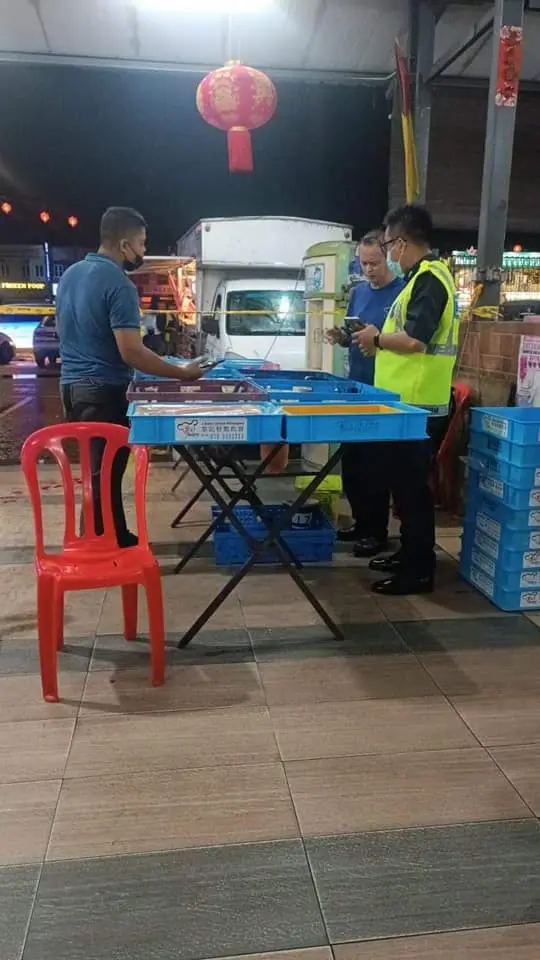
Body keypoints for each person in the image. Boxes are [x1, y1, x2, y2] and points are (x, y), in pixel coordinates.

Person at [57, 206, 204, 548]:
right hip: (102, 390)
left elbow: (71, 332)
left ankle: (100, 534)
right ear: (124, 244)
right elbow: (132, 352)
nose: (142, 251)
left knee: (96, 474)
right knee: (106, 472)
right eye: (141, 243)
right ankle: (106, 543)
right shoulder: (119, 284)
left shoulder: (71, 275)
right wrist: (181, 373)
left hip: (71, 388)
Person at [352, 203, 459, 596]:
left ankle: (418, 571)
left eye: (388, 245)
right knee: (402, 488)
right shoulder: (418, 279)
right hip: (404, 404)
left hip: (418, 407)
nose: (388, 253)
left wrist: (375, 338)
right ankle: (408, 554)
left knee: (413, 493)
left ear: (399, 241)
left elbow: (416, 339)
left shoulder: (430, 279)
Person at [325, 231, 403, 557]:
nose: (369, 269)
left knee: (376, 466)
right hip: (355, 388)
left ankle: (376, 531)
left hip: (384, 390)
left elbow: (406, 341)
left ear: (388, 258)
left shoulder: (401, 294)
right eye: (364, 263)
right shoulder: (358, 293)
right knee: (353, 463)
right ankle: (360, 522)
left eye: (375, 262)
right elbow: (355, 334)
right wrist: (341, 337)